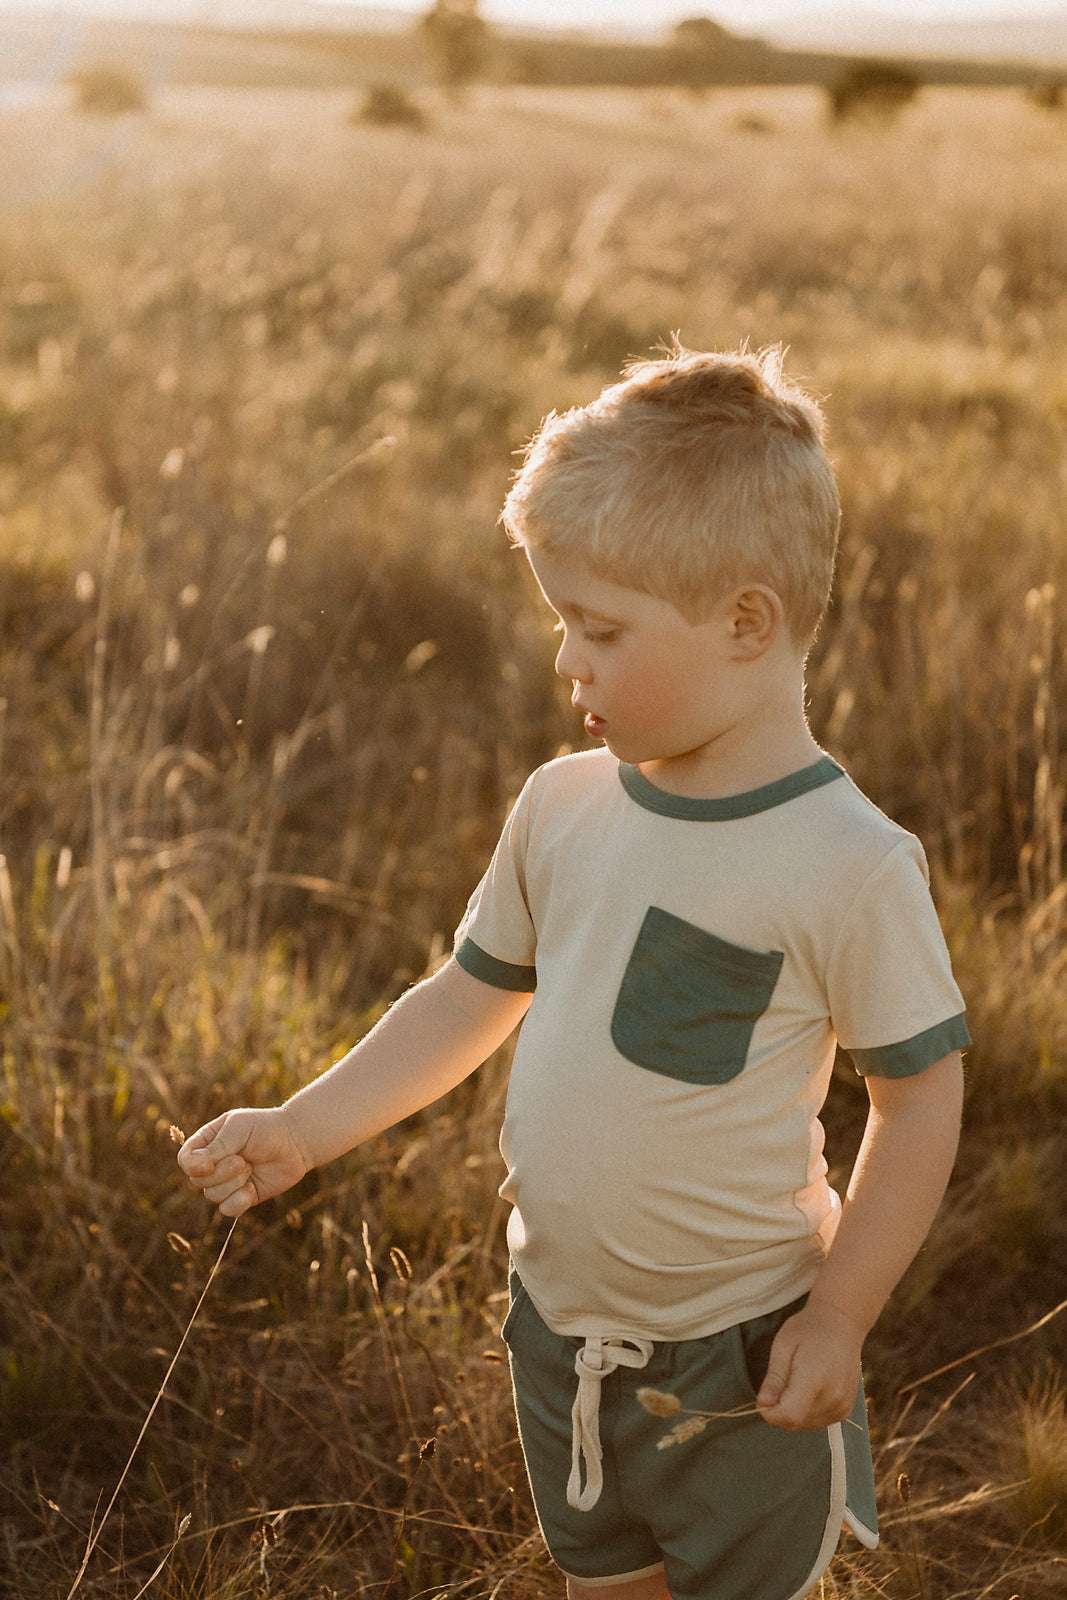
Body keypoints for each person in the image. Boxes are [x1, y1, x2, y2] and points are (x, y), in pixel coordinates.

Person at [178, 336, 971, 1600]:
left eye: (597, 628)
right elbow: (467, 996)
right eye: (560, 621)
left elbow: (917, 1099)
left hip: (739, 1360)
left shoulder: (846, 862)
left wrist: (836, 1319)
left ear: (744, 622)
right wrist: (305, 1126)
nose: (566, 661)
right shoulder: (560, 807)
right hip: (556, 1335)